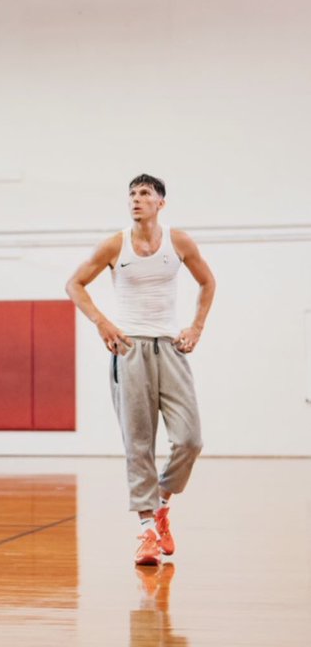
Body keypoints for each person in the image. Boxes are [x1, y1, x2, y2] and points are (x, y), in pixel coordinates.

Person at [65, 173, 215, 567]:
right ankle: (148, 530)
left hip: (170, 347)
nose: (136, 199)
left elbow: (207, 281)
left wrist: (196, 326)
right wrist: (102, 322)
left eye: (145, 193)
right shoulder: (115, 244)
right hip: (129, 348)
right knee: (139, 444)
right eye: (132, 193)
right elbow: (75, 284)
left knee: (190, 440)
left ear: (160, 203)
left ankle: (161, 502)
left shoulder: (177, 242)